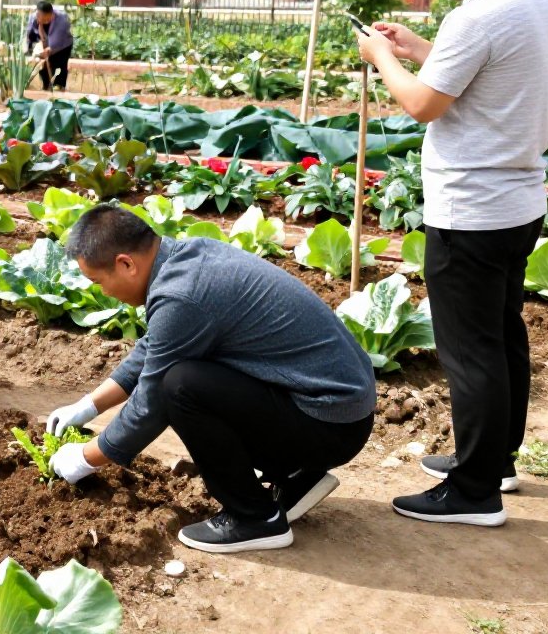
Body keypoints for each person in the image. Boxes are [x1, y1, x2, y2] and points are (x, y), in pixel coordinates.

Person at [357, 0, 548, 527]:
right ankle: (493, 460)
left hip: (471, 209)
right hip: (517, 202)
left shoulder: (475, 15)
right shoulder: (535, 1)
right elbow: (483, 75)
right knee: (501, 338)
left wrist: (383, 56)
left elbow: (422, 104)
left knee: (471, 352)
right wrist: (421, 48)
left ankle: (475, 494)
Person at [44, 206, 377, 554]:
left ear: (126, 264)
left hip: (329, 424)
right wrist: (88, 406)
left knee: (181, 387)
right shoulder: (188, 258)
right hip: (336, 409)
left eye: (99, 282)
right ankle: (294, 475)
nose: (102, 292)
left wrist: (86, 457)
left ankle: (255, 518)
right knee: (184, 376)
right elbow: (154, 348)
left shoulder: (181, 296)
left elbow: (149, 404)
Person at [24, 0, 73, 91]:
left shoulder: (61, 20)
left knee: (58, 63)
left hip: (63, 45)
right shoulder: (34, 17)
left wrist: (47, 50)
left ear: (50, 14)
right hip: (44, 41)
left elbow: (55, 43)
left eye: (43, 17)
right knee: (43, 65)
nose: (39, 18)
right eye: (38, 15)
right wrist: (32, 49)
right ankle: (46, 85)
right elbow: (30, 35)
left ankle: (59, 85)